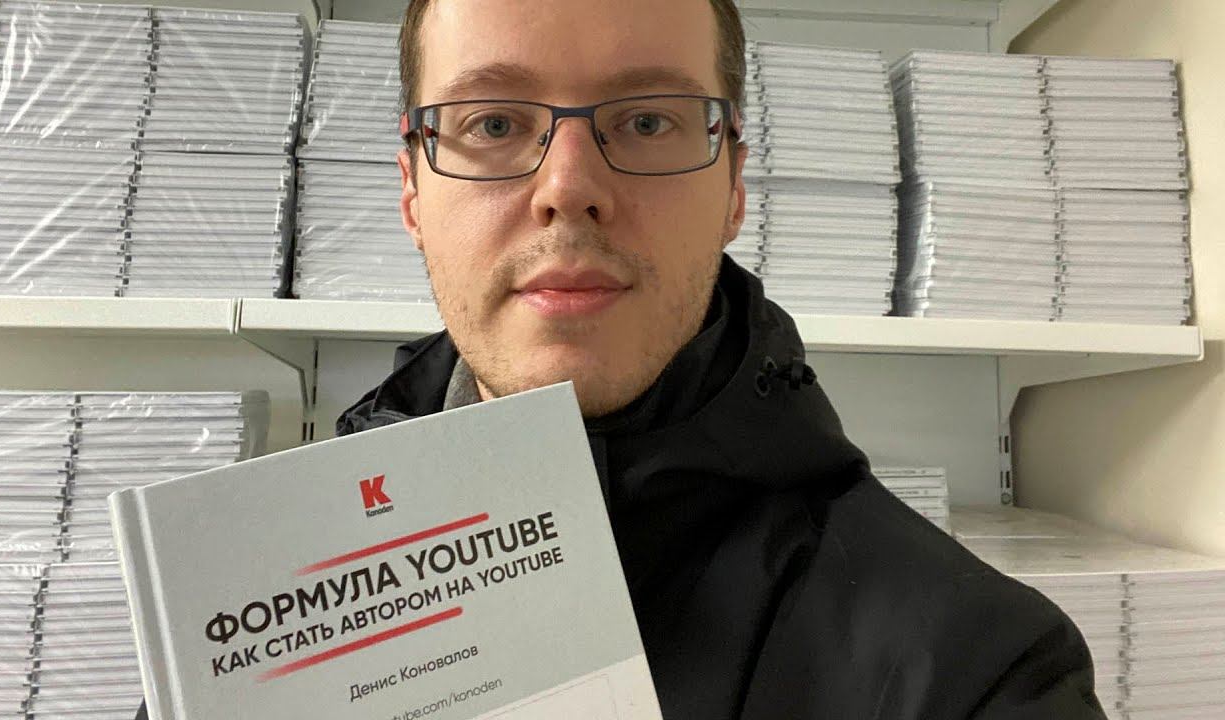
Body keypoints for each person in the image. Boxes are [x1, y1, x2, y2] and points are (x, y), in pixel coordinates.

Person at [137, 0, 1104, 718]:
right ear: (412, 192)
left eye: (646, 121)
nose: (569, 187)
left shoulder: (980, 673)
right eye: (493, 123)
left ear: (734, 185)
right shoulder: (241, 622)